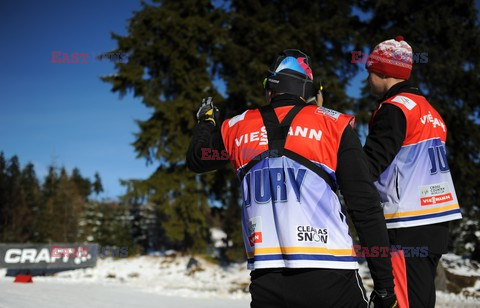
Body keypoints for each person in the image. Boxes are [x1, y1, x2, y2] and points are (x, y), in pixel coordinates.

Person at [187, 49, 396, 307]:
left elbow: (197, 159)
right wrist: (385, 287)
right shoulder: (334, 124)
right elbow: (365, 207)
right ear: (308, 90)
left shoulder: (236, 126)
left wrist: (206, 122)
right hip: (331, 275)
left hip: (267, 279)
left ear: (269, 88)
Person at [364, 36, 462, 308]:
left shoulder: (394, 109)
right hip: (435, 221)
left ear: (384, 72)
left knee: (405, 301)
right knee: (420, 298)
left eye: (370, 71)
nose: (367, 79)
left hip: (407, 221)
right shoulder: (430, 111)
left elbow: (371, 163)